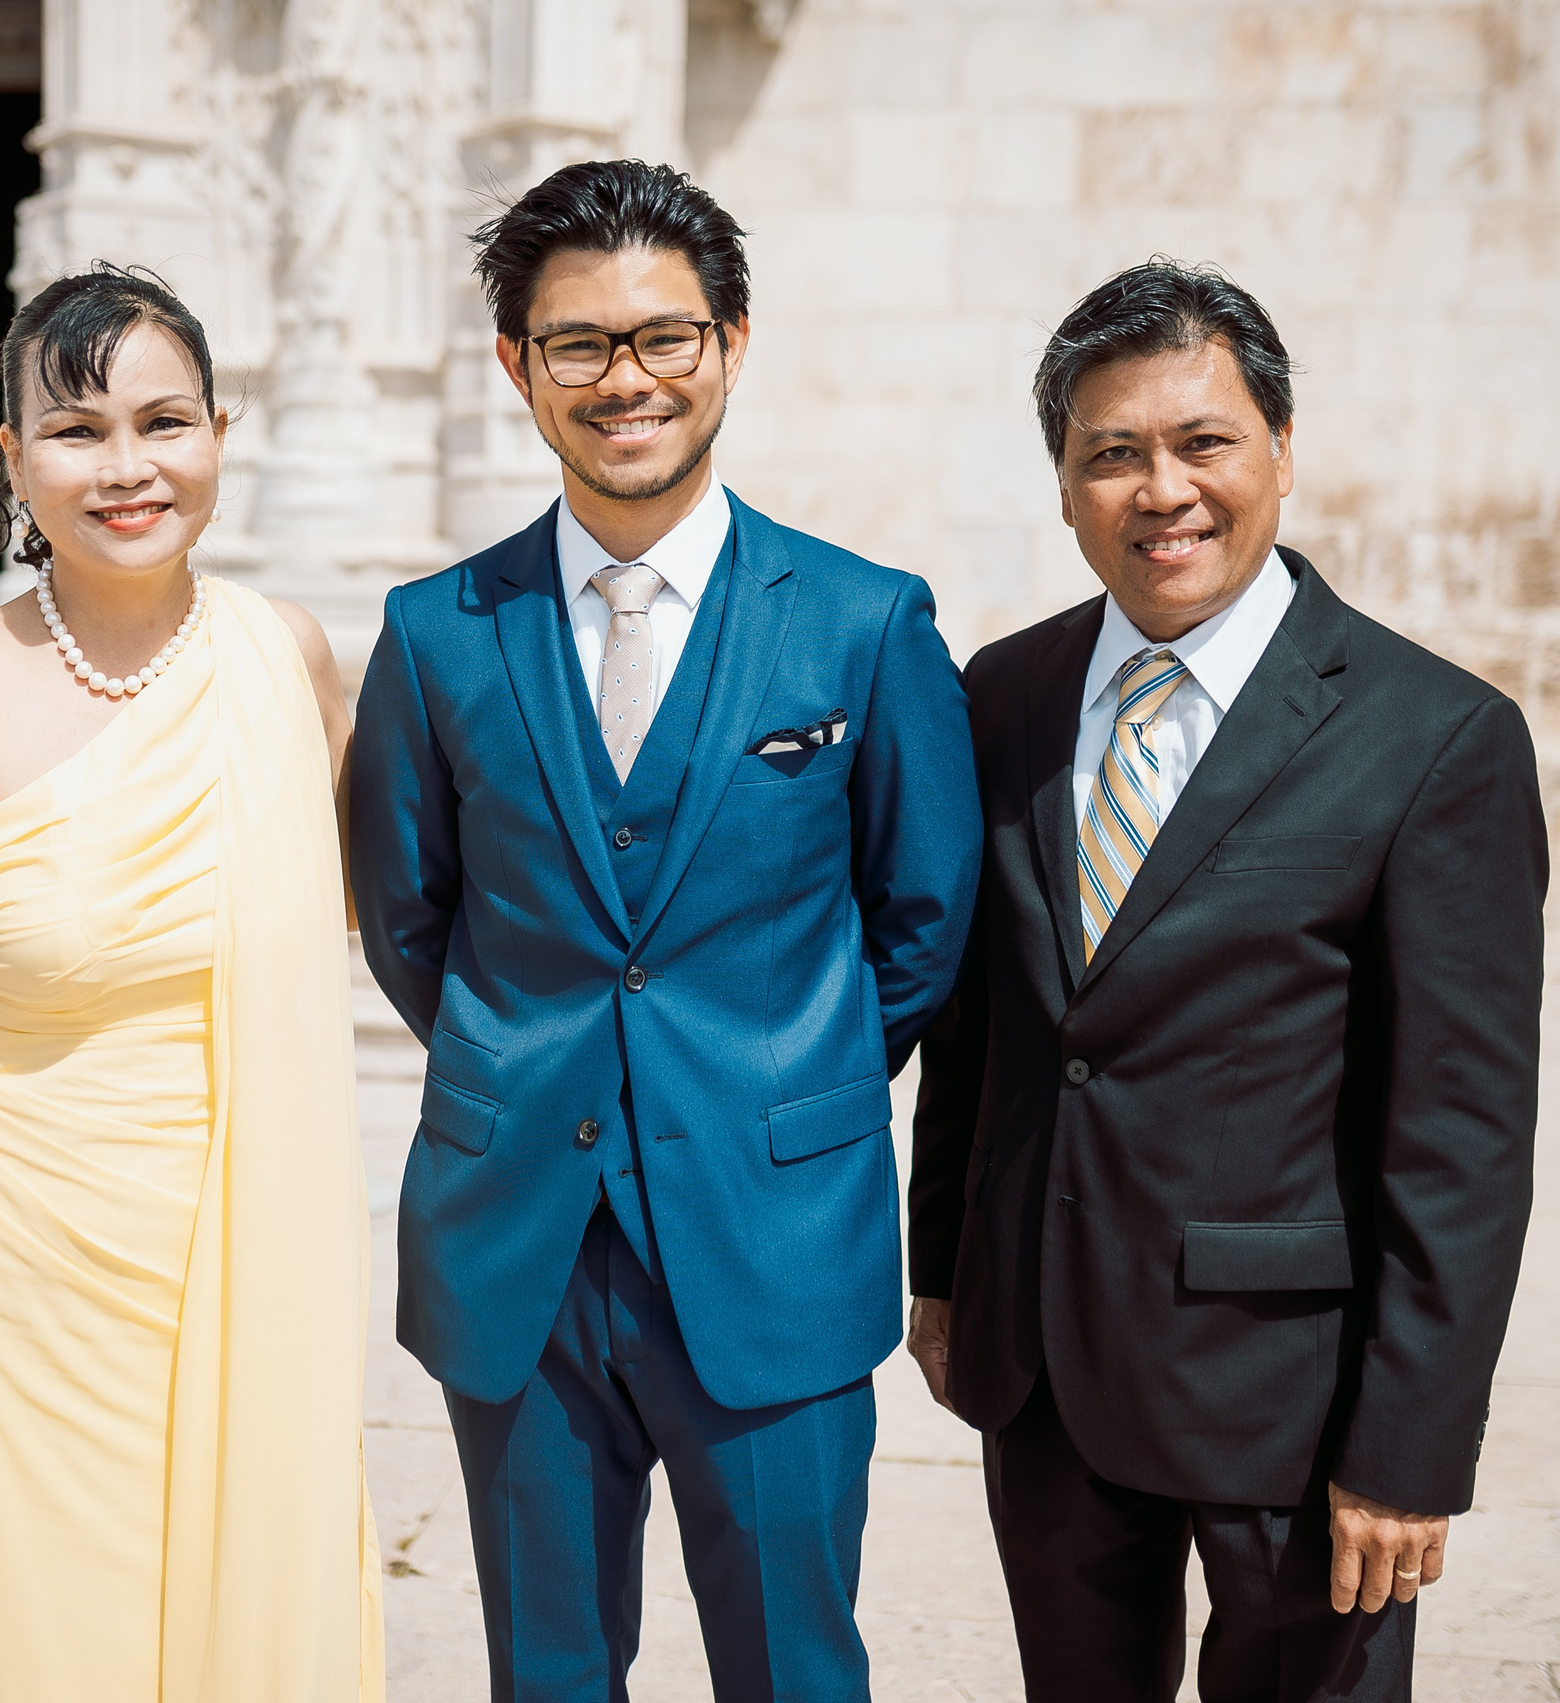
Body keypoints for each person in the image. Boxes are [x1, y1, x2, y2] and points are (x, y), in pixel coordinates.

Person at [350, 160, 983, 1703]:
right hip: (520, 1250)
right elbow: (404, 914)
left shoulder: (863, 619)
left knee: (796, 1672)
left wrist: (776, 1078)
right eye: (579, 343)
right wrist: (544, 1067)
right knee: (547, 1677)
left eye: (665, 336)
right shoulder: (436, 633)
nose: (625, 377)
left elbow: (924, 918)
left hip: (776, 1237)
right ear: (518, 364)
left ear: (733, 342)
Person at [905, 259, 1546, 1701]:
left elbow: (1462, 1142)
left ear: (1281, 454)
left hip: (1294, 1408)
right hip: (1046, 1370)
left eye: (1203, 443)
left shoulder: (1436, 738)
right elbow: (982, 1023)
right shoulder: (999, 695)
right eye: (1111, 454)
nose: (1161, 489)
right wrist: (942, 1269)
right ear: (1065, 487)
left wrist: (1411, 1448)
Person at [0, 264, 381, 1700]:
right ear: (10, 459)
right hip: (9, 1272)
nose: (128, 467)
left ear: (217, 432)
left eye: (164, 421)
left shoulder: (287, 658)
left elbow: (405, 917)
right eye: (76, 431)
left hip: (244, 1257)